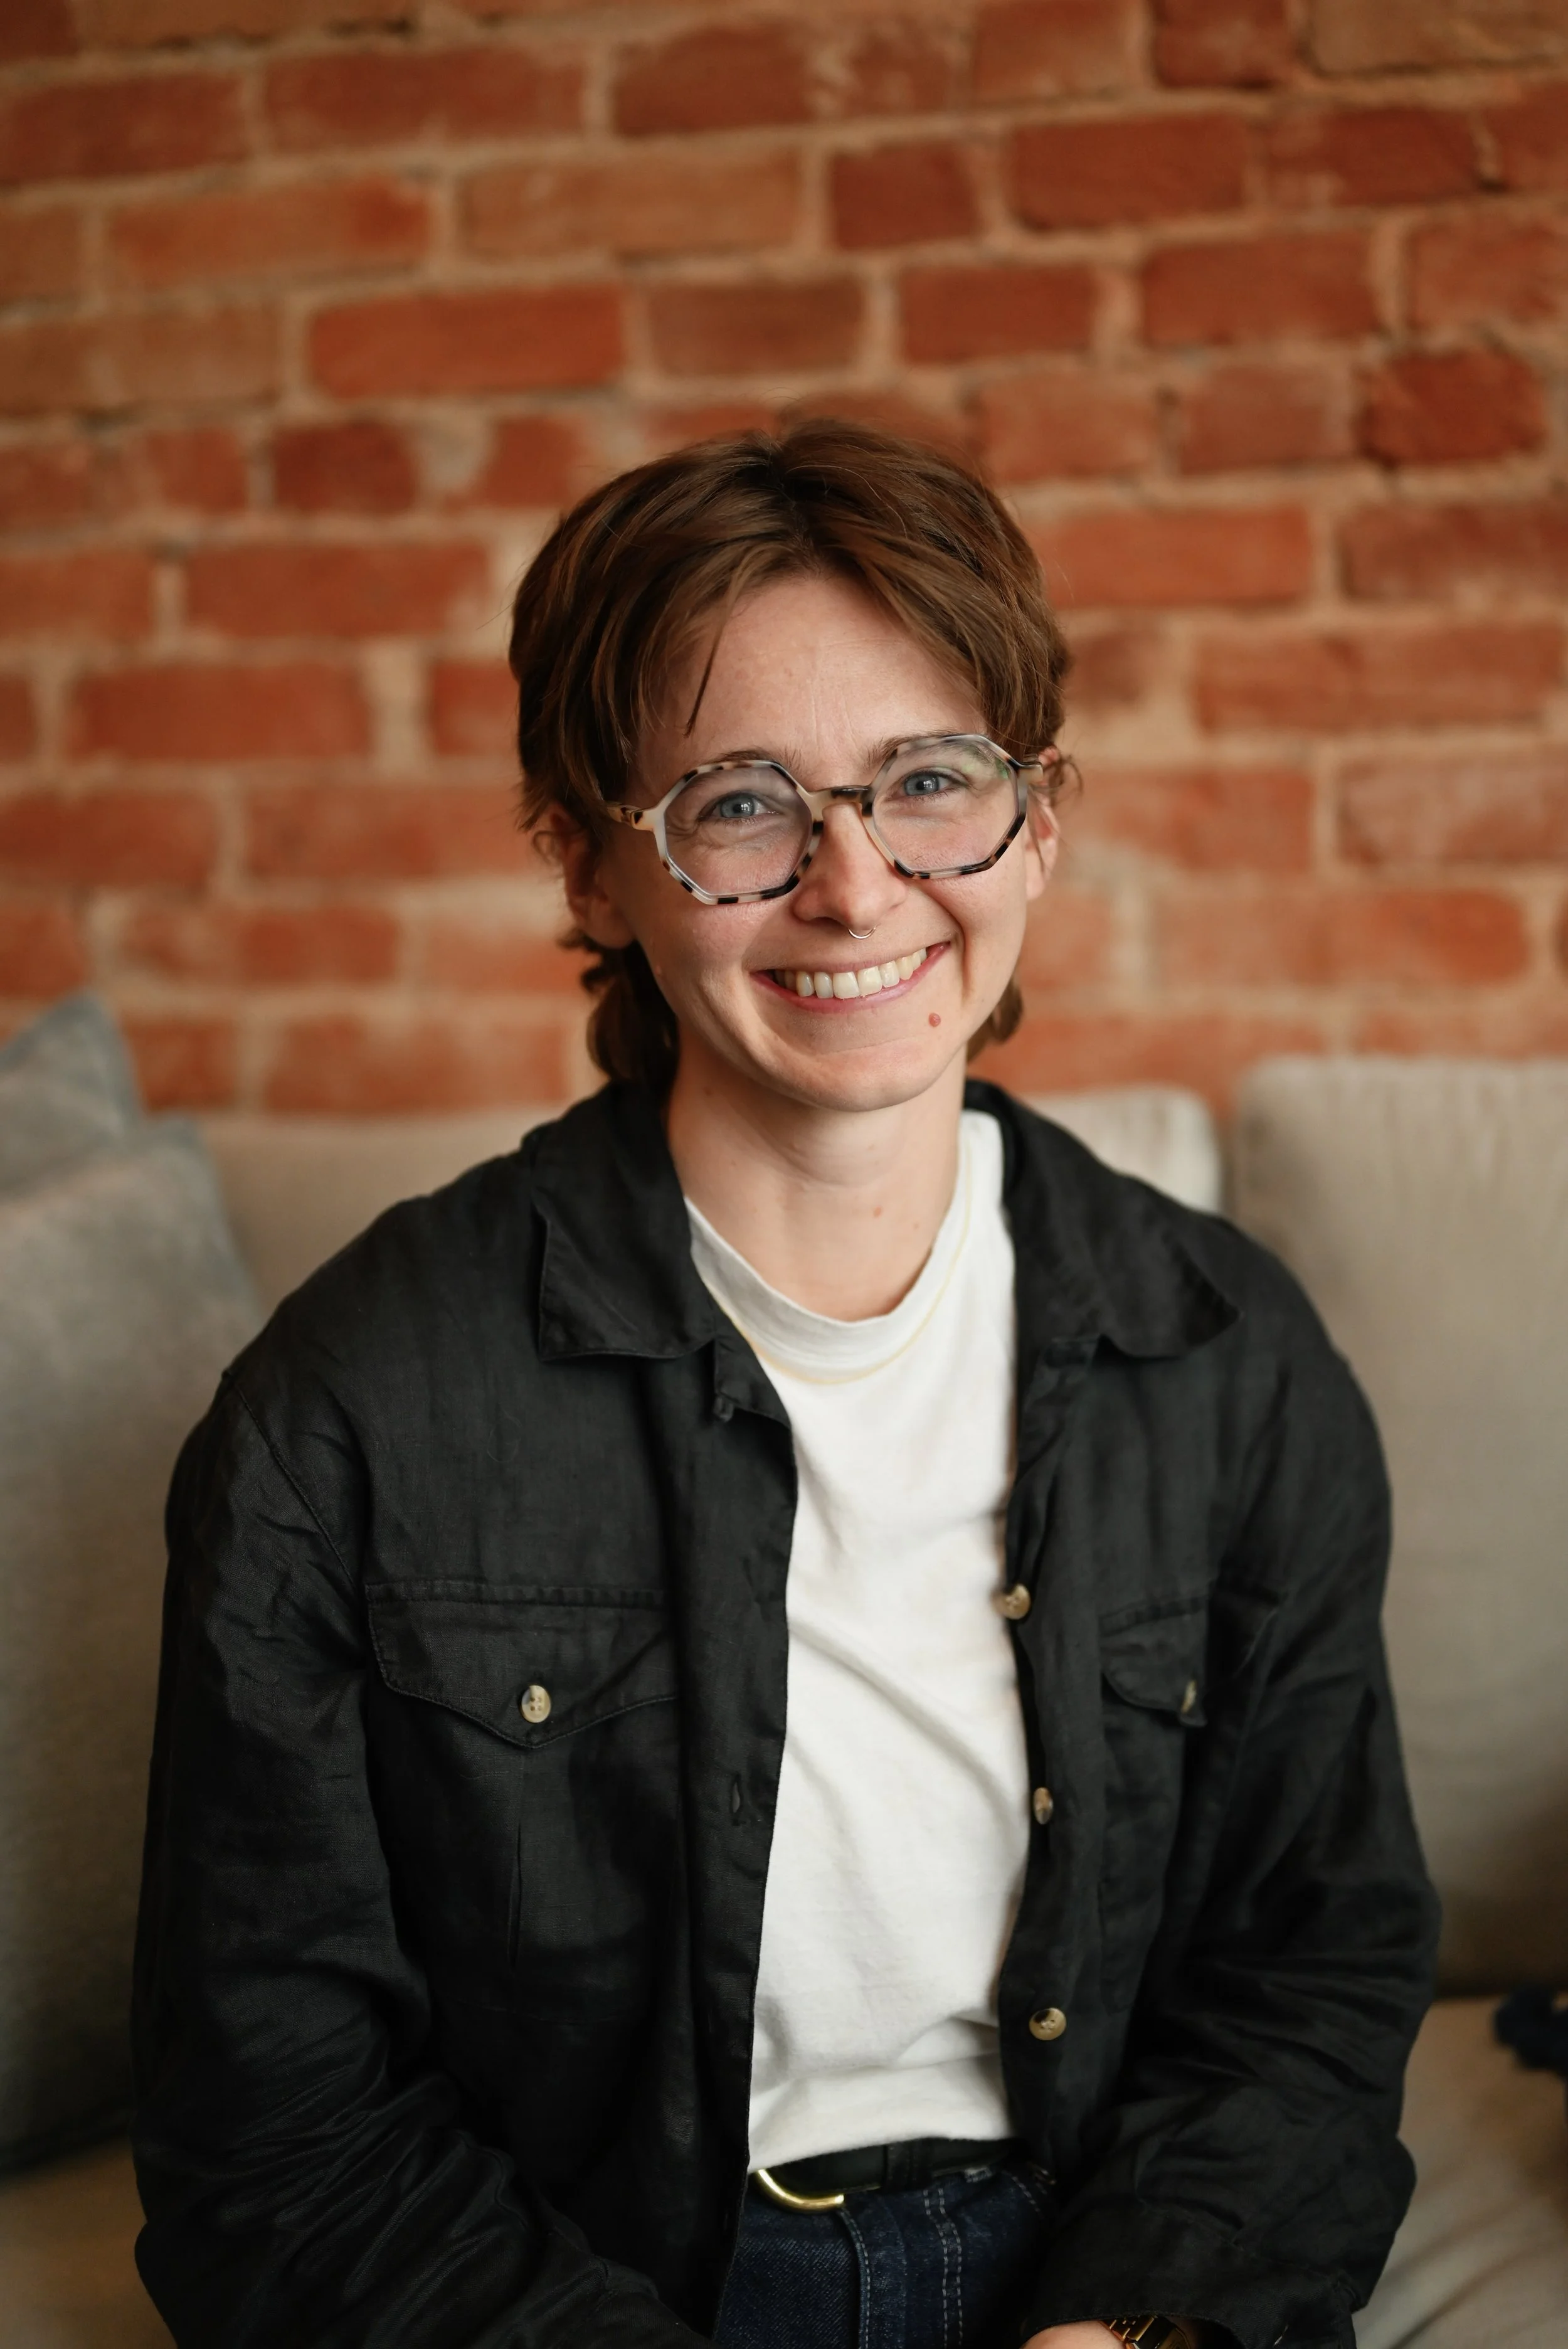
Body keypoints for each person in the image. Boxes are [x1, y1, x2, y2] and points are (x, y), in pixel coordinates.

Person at [132, 420, 1438, 2349]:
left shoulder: (1226, 1358)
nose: (855, 887)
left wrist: (1127, 2327)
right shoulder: (351, 1408)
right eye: (740, 805)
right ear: (587, 859)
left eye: (929, 781)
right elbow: (271, 2120)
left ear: (1038, 820)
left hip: (1109, 2263)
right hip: (588, 2292)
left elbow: (1307, 1969)